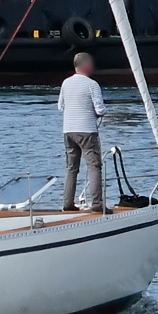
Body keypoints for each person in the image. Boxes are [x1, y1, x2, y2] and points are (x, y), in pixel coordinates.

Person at [58, 52, 105, 212]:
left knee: (71, 167)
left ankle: (67, 203)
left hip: (68, 131)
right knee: (94, 166)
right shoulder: (92, 84)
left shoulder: (65, 83)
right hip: (87, 131)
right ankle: (97, 204)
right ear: (86, 66)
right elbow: (100, 110)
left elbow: (60, 107)